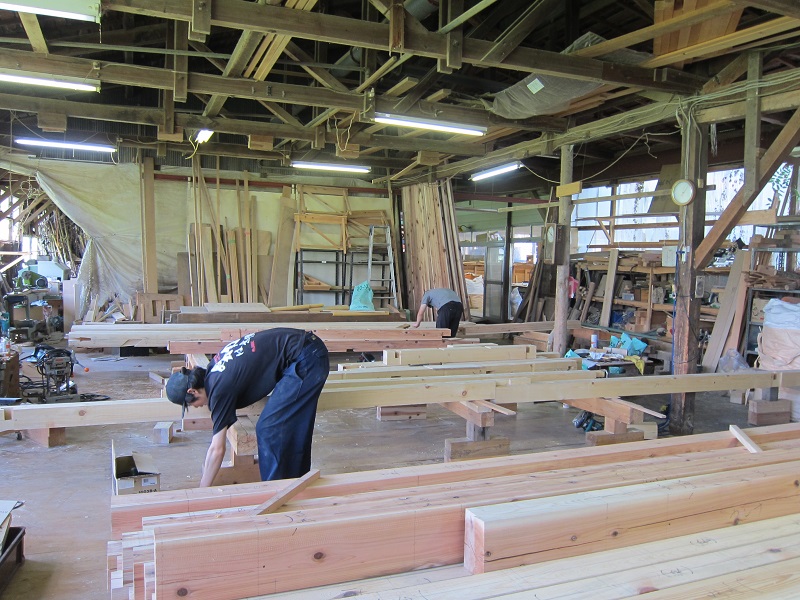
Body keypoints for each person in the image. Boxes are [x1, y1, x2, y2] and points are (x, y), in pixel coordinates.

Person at [165, 328, 329, 486]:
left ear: (192, 391)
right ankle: (295, 483)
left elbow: (217, 449)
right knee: (284, 425)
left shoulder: (218, 388)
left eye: (191, 404)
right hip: (305, 350)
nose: (197, 406)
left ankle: (278, 491)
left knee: (269, 428)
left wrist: (202, 491)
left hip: (307, 358)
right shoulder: (214, 370)